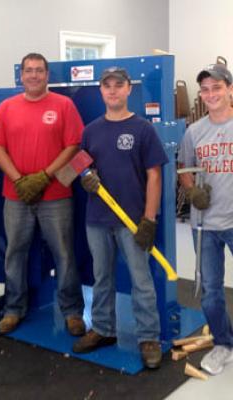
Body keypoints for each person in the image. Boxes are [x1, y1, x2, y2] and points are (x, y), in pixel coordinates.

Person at [72, 67, 168, 369]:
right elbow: (79, 164)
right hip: (97, 219)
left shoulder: (142, 129)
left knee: (141, 280)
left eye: (119, 85)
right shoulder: (90, 130)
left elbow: (155, 176)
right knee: (102, 278)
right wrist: (84, 177)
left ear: (129, 90)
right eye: (107, 86)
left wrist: (149, 220)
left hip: (132, 221)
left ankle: (148, 337)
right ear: (101, 91)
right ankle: (102, 329)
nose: (112, 91)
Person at [0, 52, 85, 335]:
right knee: (14, 252)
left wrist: (44, 176)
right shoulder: (6, 107)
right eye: (28, 70)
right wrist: (19, 180)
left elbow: (73, 146)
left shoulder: (64, 105)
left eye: (39, 70)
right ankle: (14, 308)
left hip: (56, 195)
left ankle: (72, 311)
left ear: (47, 74)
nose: (33, 75)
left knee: (64, 254)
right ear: (21, 75)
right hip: (15, 196)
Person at [178, 63, 233, 375]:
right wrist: (192, 192)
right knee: (211, 290)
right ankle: (223, 344)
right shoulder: (193, 131)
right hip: (206, 226)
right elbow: (185, 169)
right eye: (206, 89)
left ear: (230, 89)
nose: (211, 94)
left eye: (217, 87)